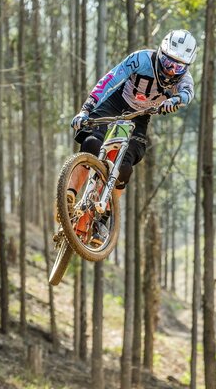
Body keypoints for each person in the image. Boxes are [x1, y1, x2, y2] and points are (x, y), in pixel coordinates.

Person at [67, 29, 197, 243]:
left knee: (124, 169)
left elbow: (187, 93)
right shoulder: (140, 59)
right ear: (160, 53)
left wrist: (175, 101)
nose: (172, 71)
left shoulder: (183, 79)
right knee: (91, 143)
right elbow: (109, 79)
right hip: (116, 104)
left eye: (179, 66)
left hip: (139, 118)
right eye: (168, 63)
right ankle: (69, 194)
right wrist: (86, 108)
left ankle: (103, 218)